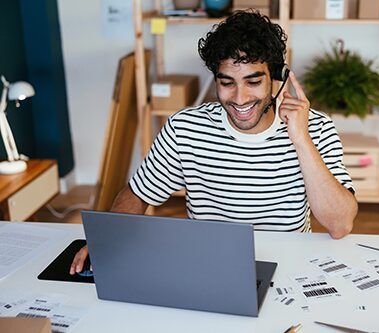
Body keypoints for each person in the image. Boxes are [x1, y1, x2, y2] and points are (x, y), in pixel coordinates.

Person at [70, 10, 357, 275]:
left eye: (253, 82)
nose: (240, 98)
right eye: (227, 82)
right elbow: (138, 194)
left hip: (289, 268)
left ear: (276, 79)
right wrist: (106, 241)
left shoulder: (316, 128)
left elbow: (340, 224)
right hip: (207, 267)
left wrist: (300, 139)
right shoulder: (185, 128)